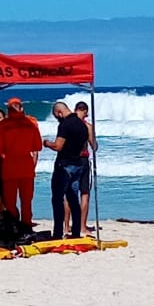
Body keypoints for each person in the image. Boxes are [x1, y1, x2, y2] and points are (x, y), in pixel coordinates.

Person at [0, 97, 42, 229]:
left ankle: (14, 226)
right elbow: (37, 146)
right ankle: (26, 225)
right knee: (26, 201)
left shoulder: (3, 125)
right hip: (26, 164)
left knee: (10, 202)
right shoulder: (31, 122)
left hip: (10, 165)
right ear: (21, 108)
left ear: (8, 109)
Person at [44, 102, 89, 238]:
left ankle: (58, 232)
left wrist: (46, 143)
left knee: (57, 199)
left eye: (57, 116)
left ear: (59, 113)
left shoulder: (65, 124)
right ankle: (75, 231)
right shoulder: (82, 125)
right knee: (73, 199)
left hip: (64, 165)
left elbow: (58, 146)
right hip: (78, 164)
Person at [73, 100, 98, 236]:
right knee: (84, 194)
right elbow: (94, 146)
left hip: (69, 160)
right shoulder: (87, 126)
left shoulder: (68, 124)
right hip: (82, 160)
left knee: (69, 194)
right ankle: (82, 226)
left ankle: (66, 226)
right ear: (86, 112)